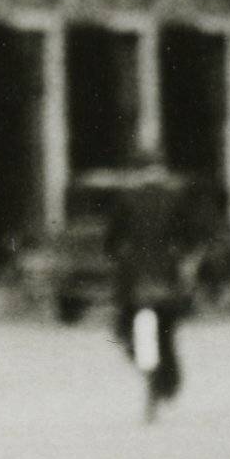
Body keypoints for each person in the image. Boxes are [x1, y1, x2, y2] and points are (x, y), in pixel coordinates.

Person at [97, 132, 196, 420]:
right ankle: (169, 381)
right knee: (166, 336)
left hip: (135, 281)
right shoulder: (176, 198)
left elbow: (111, 243)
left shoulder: (126, 199)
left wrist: (119, 258)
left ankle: (154, 380)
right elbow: (189, 239)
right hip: (168, 277)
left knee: (131, 333)